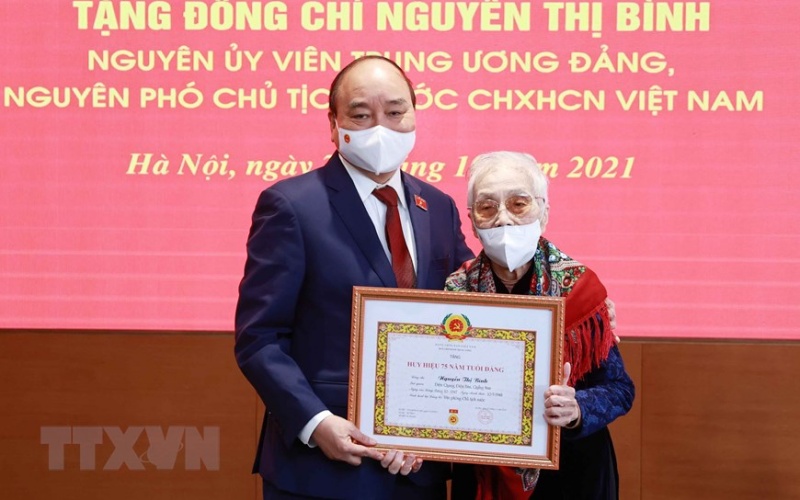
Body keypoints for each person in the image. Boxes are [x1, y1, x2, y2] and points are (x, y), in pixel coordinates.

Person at [234, 55, 474, 499]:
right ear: (333, 124)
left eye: (395, 112)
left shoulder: (438, 207)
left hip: (418, 468)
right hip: (324, 468)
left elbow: (477, 303)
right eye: (361, 115)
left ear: (415, 116)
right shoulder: (291, 206)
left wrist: (572, 302)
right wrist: (316, 423)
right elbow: (259, 337)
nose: (380, 127)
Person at [446, 151, 635, 499]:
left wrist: (577, 408)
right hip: (483, 468)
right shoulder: (453, 293)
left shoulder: (581, 290)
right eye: (487, 207)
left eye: (519, 204)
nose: (504, 219)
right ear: (472, 222)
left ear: (543, 212)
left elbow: (620, 389)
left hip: (572, 472)